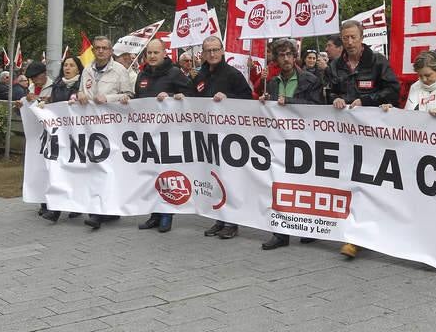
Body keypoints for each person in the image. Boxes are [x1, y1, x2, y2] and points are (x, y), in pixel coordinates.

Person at [327, 20, 400, 259]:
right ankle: (354, 233)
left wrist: (367, 101)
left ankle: (363, 235)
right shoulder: (335, 65)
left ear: (361, 37)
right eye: (345, 38)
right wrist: (335, 98)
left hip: (372, 135)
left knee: (370, 184)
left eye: (353, 38)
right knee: (350, 182)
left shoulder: (378, 61)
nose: (348, 43)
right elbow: (328, 91)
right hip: (345, 135)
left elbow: (393, 90)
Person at [259, 38, 324, 251]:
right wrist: (265, 100)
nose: (286, 59)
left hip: (304, 140)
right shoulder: (273, 81)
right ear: (276, 59)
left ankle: (307, 229)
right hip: (279, 139)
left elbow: (317, 107)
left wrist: (289, 101)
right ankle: (281, 233)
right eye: (281, 55)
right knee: (280, 183)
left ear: (295, 56)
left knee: (304, 185)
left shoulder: (310, 79)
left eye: (289, 54)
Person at [193, 35, 253, 239]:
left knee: (231, 179)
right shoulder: (200, 75)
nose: (212, 54)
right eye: (208, 50)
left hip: (230, 137)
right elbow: (193, 99)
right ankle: (219, 218)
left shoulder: (233, 74)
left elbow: (248, 100)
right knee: (215, 178)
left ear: (222, 51)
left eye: (215, 50)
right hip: (208, 136)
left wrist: (229, 99)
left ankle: (232, 222)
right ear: (202, 53)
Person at [134, 38, 193, 233]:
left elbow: (191, 96)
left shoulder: (174, 73)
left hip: (169, 135)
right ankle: (154, 214)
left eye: (155, 53)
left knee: (167, 176)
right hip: (147, 135)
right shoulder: (142, 74)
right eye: (149, 53)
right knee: (151, 175)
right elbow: (137, 99)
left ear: (164, 53)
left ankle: (167, 214)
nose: (151, 56)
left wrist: (175, 99)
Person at [76, 36, 133, 230]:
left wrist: (108, 98)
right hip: (92, 128)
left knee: (108, 169)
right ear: (93, 50)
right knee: (95, 167)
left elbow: (130, 96)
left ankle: (102, 212)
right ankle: (100, 211)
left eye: (104, 48)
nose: (100, 51)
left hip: (113, 128)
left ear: (110, 51)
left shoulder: (120, 70)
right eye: (97, 48)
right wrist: (80, 95)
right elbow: (81, 92)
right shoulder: (87, 70)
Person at [38, 56, 85, 223]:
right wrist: (45, 104)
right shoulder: (57, 85)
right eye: (65, 65)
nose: (68, 68)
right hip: (59, 133)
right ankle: (56, 209)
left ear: (78, 69)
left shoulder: (83, 85)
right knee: (59, 169)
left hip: (77, 134)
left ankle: (76, 205)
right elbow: (53, 104)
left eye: (72, 65)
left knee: (75, 171)